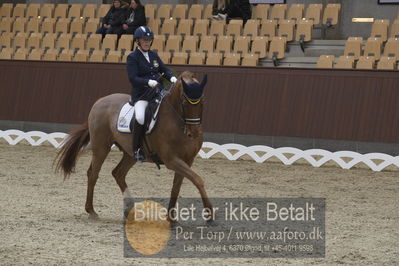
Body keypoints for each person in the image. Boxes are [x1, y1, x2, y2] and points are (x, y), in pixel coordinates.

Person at [126, 26, 177, 162]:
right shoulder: (132, 57)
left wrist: (171, 77)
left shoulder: (154, 55)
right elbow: (133, 78)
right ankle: (136, 149)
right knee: (141, 118)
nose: (147, 42)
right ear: (138, 41)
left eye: (149, 40)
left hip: (157, 93)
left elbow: (164, 69)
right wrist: (148, 82)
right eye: (144, 40)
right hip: (142, 96)